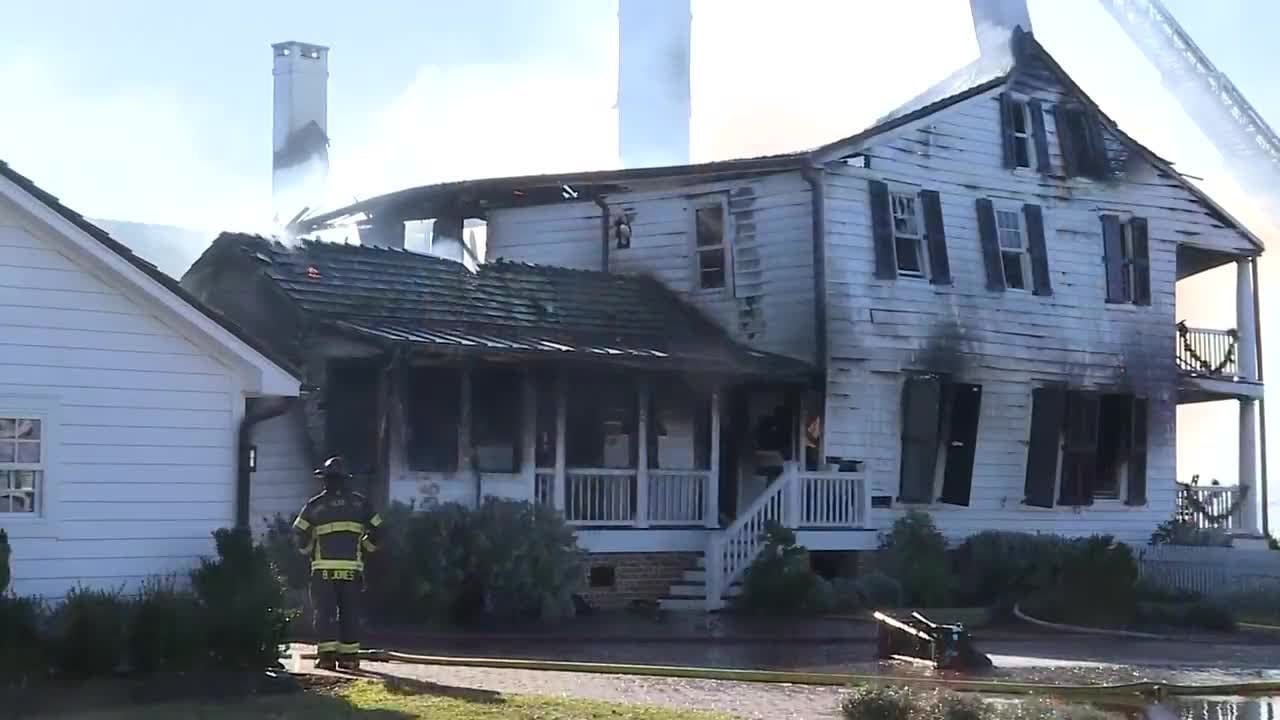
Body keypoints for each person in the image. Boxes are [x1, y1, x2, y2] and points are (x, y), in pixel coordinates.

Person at [292, 456, 382, 671]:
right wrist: (366, 548)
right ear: (345, 480)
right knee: (350, 613)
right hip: (352, 570)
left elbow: (299, 533)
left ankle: (326, 658)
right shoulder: (361, 504)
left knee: (325, 614)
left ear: (325, 480)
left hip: (323, 571)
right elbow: (379, 529)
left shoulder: (315, 506)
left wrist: (307, 551)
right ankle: (349, 660)